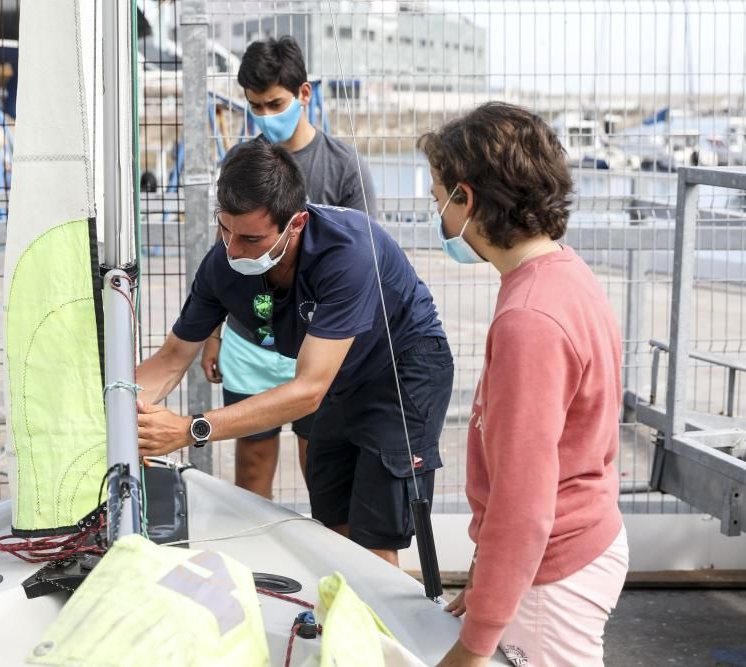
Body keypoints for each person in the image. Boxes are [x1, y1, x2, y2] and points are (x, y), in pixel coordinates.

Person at [136, 140, 452, 566]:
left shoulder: (347, 250)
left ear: (297, 223)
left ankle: (374, 626)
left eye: (250, 238)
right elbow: (172, 358)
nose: (233, 250)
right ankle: (343, 612)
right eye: (224, 229)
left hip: (400, 367)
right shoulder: (221, 263)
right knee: (330, 517)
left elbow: (307, 391)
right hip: (336, 377)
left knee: (375, 533)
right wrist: (114, 408)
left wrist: (190, 429)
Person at [420, 103, 629, 667]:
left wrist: (477, 640)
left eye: (438, 197)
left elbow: (522, 501)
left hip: (553, 570)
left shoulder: (528, 320)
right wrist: (491, 583)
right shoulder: (565, 273)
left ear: (467, 199)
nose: (437, 212)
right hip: (582, 539)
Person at [200, 35, 377, 500]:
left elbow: (364, 263)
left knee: (317, 463)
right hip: (250, 335)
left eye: (274, 103)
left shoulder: (343, 166)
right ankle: (253, 567)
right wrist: (213, 333)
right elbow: (223, 255)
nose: (264, 115)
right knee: (252, 465)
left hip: (316, 341)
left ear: (304, 94)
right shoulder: (240, 164)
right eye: (254, 106)